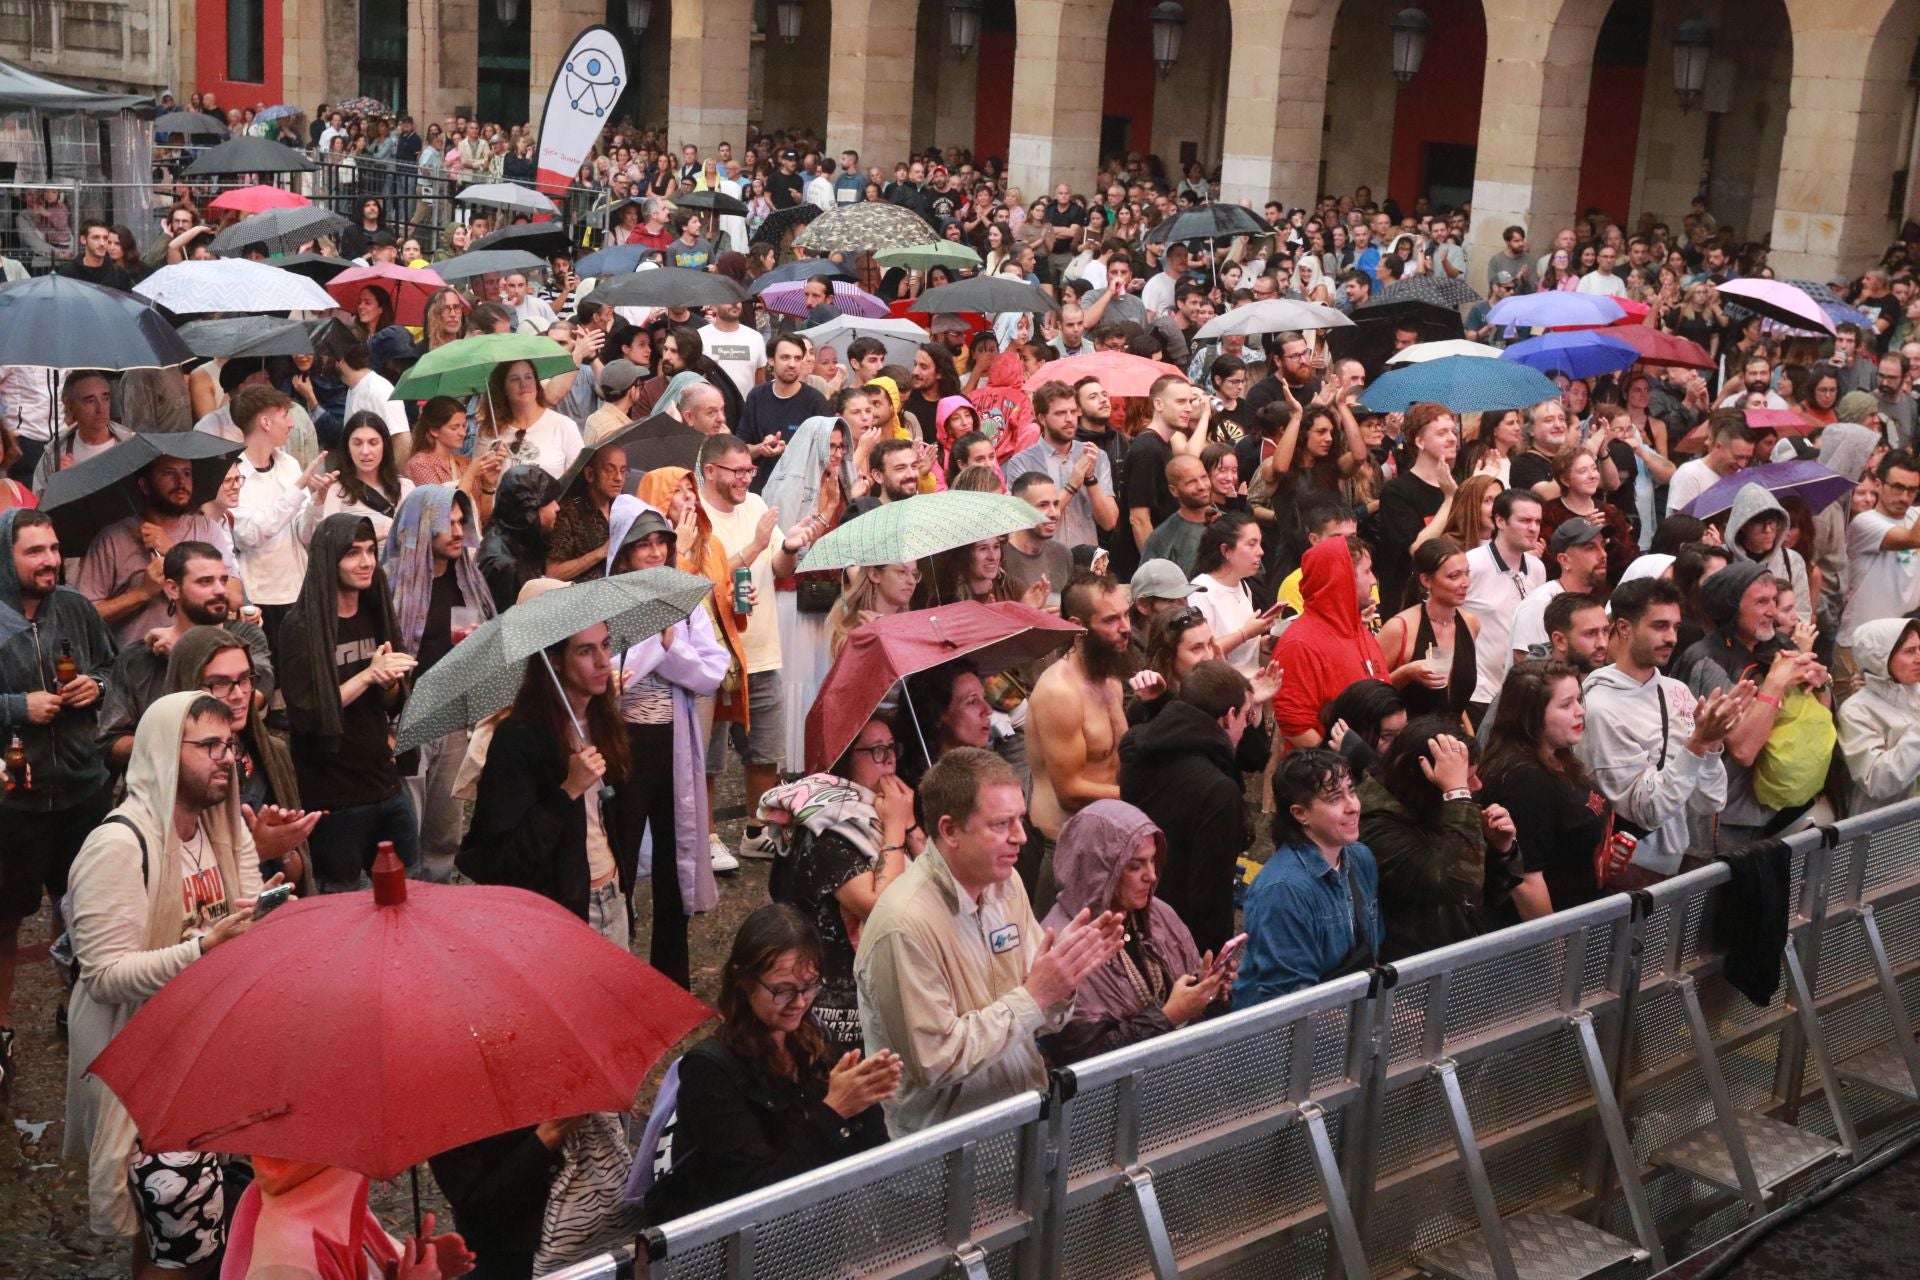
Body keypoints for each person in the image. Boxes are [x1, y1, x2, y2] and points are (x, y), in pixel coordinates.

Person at [63, 690, 269, 1265]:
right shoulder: (117, 845)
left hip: (200, 1059)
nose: (226, 757)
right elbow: (103, 976)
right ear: (160, 752)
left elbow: (245, 906)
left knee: (179, 1234)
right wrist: (203, 949)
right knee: (168, 1243)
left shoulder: (220, 830)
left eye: (230, 744)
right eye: (208, 746)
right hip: (140, 1068)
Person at [854, 747, 1125, 1136]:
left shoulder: (1006, 883)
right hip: (949, 1154)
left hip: (1023, 1126)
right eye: (1001, 824)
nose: (1020, 837)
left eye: (1020, 819)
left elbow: (1037, 1017)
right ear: (949, 831)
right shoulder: (904, 924)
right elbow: (934, 1062)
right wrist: (1035, 996)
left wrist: (1064, 979)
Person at [646, 905, 898, 1221]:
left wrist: (866, 1101)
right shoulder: (709, 1072)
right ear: (743, 981)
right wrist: (834, 1112)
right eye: (782, 991)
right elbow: (756, 1194)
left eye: (810, 986)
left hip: (813, 1232)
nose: (800, 1002)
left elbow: (865, 1154)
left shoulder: (816, 1040)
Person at [0, 509, 115, 1097]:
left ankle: (83, 1010)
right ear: (6, 557)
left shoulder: (73, 606)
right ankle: (1, 1038)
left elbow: (113, 670)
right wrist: (18, 707)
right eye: (33, 552)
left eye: (52, 549)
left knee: (84, 910)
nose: (48, 560)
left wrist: (95, 686)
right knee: (7, 920)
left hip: (80, 786)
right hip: (13, 800)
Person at [605, 497, 729, 984]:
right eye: (643, 544)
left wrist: (668, 649)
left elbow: (710, 674)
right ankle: (614, 963)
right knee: (619, 852)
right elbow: (609, 671)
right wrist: (655, 651)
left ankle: (670, 973)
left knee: (676, 852)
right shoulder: (606, 599)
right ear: (624, 551)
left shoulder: (686, 599)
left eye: (662, 542)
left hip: (674, 742)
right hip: (622, 745)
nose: (654, 552)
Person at [461, 598, 635, 943]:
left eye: (605, 645)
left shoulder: (604, 721)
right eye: (585, 652)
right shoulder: (518, 738)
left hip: (611, 892)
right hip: (558, 911)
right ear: (554, 661)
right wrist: (567, 791)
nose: (603, 661)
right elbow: (496, 857)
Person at [699, 433, 824, 861]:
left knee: (764, 752)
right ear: (710, 471)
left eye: (749, 471)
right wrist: (754, 544)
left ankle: (756, 831)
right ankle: (708, 838)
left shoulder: (754, 505)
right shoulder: (695, 518)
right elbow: (704, 581)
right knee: (709, 756)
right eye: (737, 471)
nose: (746, 480)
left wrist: (788, 548)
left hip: (762, 648)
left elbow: (777, 567)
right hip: (712, 654)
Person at [763, 716, 919, 1055]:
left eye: (892, 748)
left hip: (876, 993)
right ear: (845, 761)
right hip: (834, 1013)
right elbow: (881, 906)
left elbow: (932, 877)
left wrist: (910, 825)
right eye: (877, 751)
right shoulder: (830, 827)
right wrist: (895, 826)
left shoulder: (871, 813)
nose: (890, 759)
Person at [279, 515, 418, 892]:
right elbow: (307, 713)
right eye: (353, 553)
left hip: (383, 782)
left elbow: (389, 702)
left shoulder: (376, 610)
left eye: (371, 551)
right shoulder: (301, 627)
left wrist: (388, 684)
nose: (367, 562)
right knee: (342, 904)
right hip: (333, 795)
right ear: (329, 559)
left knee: (409, 891)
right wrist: (367, 676)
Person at [1577, 578, 1746, 883]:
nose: (1671, 637)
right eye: (1659, 626)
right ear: (1625, 628)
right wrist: (1697, 744)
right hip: (1628, 867)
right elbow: (1646, 811)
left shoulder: (1676, 691)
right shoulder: (1600, 707)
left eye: (1676, 627)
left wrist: (1711, 745)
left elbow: (1709, 802)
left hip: (1674, 862)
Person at [1036, 800, 1227, 1067]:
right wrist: (1167, 1016)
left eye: (1152, 862)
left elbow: (1180, 1006)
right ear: (1098, 870)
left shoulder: (1159, 915)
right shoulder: (1063, 942)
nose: (1151, 876)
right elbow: (1083, 1062)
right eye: (1135, 866)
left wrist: (1204, 988)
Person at [1671, 560, 1829, 850]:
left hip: (1781, 803)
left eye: (1773, 601)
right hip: (1724, 818)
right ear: (1731, 607)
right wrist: (1776, 683)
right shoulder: (1707, 660)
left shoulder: (1779, 644)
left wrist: (1820, 682)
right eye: (1760, 602)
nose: (1772, 610)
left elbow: (1821, 714)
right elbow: (1743, 749)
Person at [384, 486, 493, 882]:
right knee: (404, 829)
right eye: (447, 522)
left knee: (445, 829)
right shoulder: (390, 585)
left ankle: (439, 902)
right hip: (406, 718)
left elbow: (474, 647)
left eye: (462, 521)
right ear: (421, 524)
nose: (458, 531)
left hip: (453, 717)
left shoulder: (467, 579)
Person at [1119, 658, 1260, 956]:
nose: (1246, 728)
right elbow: (1210, 898)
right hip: (1182, 943)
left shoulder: (1138, 748)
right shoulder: (1218, 791)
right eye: (1247, 717)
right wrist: (1211, 969)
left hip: (1132, 917)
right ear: (1228, 716)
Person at [96, 541, 273, 771]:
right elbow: (110, 744)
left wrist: (182, 653)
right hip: (167, 793)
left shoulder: (246, 636)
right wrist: (175, 747)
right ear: (172, 589)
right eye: (205, 582)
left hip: (243, 785)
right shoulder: (139, 659)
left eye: (223, 579)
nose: (220, 590)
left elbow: (259, 694)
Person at [1360, 716, 1520, 960]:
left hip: (1457, 955)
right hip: (1414, 974)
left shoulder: (1432, 805)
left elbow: (1486, 896)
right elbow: (1458, 885)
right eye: (1467, 780)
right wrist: (1456, 794)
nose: (1477, 786)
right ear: (1425, 778)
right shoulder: (1377, 826)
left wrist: (1501, 850)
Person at [1235, 749, 1381, 1005]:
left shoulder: (1360, 858)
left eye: (1352, 790)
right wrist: (1378, 1021)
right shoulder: (1282, 890)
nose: (1353, 806)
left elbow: (1372, 953)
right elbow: (1293, 1004)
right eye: (1335, 798)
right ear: (1300, 813)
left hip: (1345, 1023)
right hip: (1285, 1038)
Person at [1479, 659, 1612, 915]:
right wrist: (1556, 954)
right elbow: (1526, 882)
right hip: (1553, 932)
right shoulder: (1523, 779)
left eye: (1578, 699)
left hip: (1582, 913)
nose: (1580, 711)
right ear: (1531, 715)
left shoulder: (1557, 754)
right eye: (1566, 704)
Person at [1027, 574, 1131, 853]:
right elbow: (1069, 792)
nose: (1126, 628)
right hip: (1064, 845)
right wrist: (1145, 795)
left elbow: (1121, 759)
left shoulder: (1110, 679)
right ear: (1077, 626)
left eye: (1126, 615)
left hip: (1109, 831)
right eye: (1111, 620)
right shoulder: (1060, 692)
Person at [1272, 535, 1389, 748]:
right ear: (1342, 579)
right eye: (1367, 571)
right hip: (1331, 777)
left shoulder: (1357, 629)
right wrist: (1344, 766)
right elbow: (1295, 727)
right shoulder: (1300, 644)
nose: (1373, 580)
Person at [1462, 489, 1546, 725]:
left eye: (1538, 521)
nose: (1533, 528)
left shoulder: (1537, 567)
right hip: (1478, 691)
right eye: (1525, 520)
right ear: (1500, 521)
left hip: (1520, 690)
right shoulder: (1472, 563)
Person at [1376, 536, 1480, 723]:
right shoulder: (1400, 628)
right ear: (1426, 580)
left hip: (1454, 741)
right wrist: (1406, 673)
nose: (1465, 583)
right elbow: (1369, 693)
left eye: (1467, 573)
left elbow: (1454, 700)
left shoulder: (1471, 623)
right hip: (1409, 740)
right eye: (1454, 576)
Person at [1005, 381, 1117, 550]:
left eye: (1073, 411)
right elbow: (1027, 522)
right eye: (1060, 413)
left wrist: (1090, 479)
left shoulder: (1095, 455)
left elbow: (1109, 522)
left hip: (1086, 562)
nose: (1069, 419)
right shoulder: (1022, 462)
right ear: (1042, 418)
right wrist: (1072, 485)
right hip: (1042, 561)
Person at [1373, 403, 1459, 610]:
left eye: (1453, 431)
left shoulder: (1456, 483)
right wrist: (1449, 499)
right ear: (1420, 441)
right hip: (1410, 603)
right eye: (1442, 433)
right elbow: (1418, 549)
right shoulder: (1397, 491)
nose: (1452, 438)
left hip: (1453, 597)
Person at [1837, 617, 1920, 815]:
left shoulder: (1916, 690)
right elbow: (1875, 781)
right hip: (1888, 827)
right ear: (1881, 658)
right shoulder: (1855, 711)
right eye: (1909, 651)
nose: (1919, 657)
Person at [1188, 511, 1280, 675]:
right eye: (1251, 544)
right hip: (1222, 689)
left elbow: (1239, 651)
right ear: (1226, 551)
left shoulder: (1243, 586)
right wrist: (1245, 634)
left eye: (1259, 544)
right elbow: (1203, 652)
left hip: (1251, 688)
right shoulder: (1201, 591)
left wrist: (1261, 643)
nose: (1260, 551)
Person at [738, 335, 830, 491]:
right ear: (771, 360)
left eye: (797, 358)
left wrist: (789, 451)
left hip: (801, 491)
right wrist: (762, 447)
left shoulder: (816, 401)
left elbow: (827, 454)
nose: (792, 364)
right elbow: (740, 449)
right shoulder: (756, 396)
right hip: (760, 489)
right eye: (785, 357)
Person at [474, 359, 585, 479]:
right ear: (503, 388)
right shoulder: (488, 431)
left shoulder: (564, 426)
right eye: (515, 379)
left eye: (528, 377)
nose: (523, 384)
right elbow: (478, 485)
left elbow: (578, 482)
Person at [318, 410, 415, 543]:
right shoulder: (335, 490)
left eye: (373, 443)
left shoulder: (405, 487)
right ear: (348, 448)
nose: (365, 451)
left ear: (384, 446)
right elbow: (328, 541)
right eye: (357, 443)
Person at [477, 465, 558, 613]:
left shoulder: (524, 540)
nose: (557, 507)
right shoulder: (504, 565)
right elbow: (506, 624)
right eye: (548, 502)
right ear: (529, 510)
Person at [1002, 472, 1073, 608]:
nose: (1053, 513)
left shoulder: (1063, 554)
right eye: (1043, 505)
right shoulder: (999, 558)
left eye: (1056, 504)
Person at [1666, 412, 1756, 515]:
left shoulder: (1739, 474)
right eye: (1738, 457)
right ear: (1718, 446)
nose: (1742, 464)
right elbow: (1681, 524)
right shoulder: (1689, 474)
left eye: (1747, 458)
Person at [1141, 455, 1215, 576]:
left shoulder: (1228, 523)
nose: (1202, 486)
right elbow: (1150, 587)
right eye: (1191, 482)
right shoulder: (1161, 538)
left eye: (1204, 477)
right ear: (1174, 490)